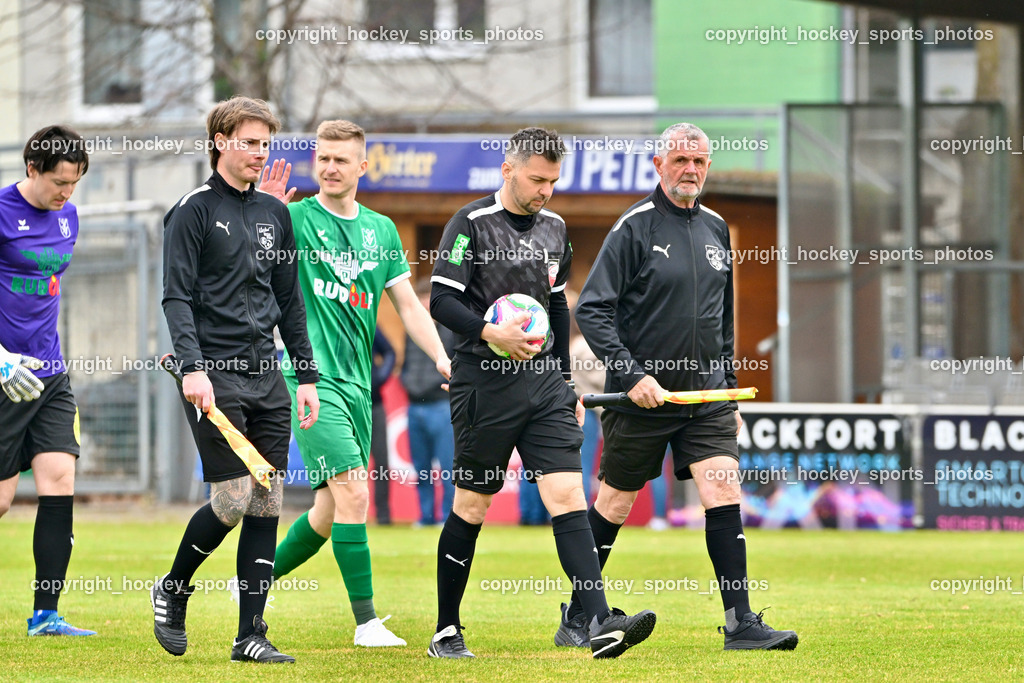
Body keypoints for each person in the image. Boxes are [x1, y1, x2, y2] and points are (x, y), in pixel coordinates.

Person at [566, 122, 798, 650]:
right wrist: (632, 374)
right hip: (640, 399)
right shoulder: (634, 228)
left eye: (698, 162)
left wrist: (730, 389)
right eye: (680, 161)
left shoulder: (717, 228)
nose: (690, 170)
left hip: (706, 399)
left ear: (708, 166)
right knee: (614, 505)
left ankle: (740, 623)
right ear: (659, 165)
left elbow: (723, 320)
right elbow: (594, 311)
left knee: (723, 489)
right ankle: (579, 617)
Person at [427, 127, 656, 659]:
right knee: (473, 505)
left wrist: (566, 383)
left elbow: (556, 307)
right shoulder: (472, 223)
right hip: (483, 382)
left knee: (568, 496)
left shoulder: (555, 227)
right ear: (507, 170)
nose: (545, 191)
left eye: (553, 181)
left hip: (545, 386)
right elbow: (441, 300)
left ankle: (597, 620)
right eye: (536, 179)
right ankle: (446, 630)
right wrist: (492, 332)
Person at [260, 120, 450, 647]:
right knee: (354, 492)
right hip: (308, 380)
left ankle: (251, 583)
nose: (329, 167)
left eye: (341, 159)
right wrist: (262, 210)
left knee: (326, 511)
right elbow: (242, 259)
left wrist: (440, 356)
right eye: (322, 157)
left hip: (358, 385)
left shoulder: (383, 231)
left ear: (362, 166)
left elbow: (408, 306)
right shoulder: (292, 217)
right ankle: (366, 624)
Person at [156, 96, 320, 664]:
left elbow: (289, 299)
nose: (259, 153)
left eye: (265, 143)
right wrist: (192, 368)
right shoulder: (192, 210)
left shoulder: (276, 214)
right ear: (221, 141)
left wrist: (305, 374)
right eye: (249, 142)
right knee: (231, 498)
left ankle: (251, 633)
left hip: (267, 376)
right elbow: (175, 297)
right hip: (213, 374)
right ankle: (174, 587)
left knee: (268, 500)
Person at [0, 125, 95, 637]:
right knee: (1, 499)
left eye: (75, 183)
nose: (66, 193)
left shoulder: (68, 216)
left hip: (49, 374)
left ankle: (46, 614)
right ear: (31, 167)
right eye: (59, 181)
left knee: (59, 480)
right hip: (2, 377)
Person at [400, 279, 456, 527]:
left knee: (447, 468)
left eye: (428, 299)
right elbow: (406, 364)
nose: (424, 304)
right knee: (421, 468)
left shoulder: (451, 331)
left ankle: (448, 517)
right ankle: (425, 517)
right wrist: (406, 381)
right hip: (414, 406)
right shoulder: (411, 332)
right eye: (421, 299)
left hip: (441, 405)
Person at [371, 328, 396, 525]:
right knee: (348, 465)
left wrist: (379, 378)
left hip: (374, 405)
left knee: (381, 463)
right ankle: (344, 513)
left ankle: (383, 515)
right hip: (343, 407)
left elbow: (389, 352)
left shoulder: (368, 320)